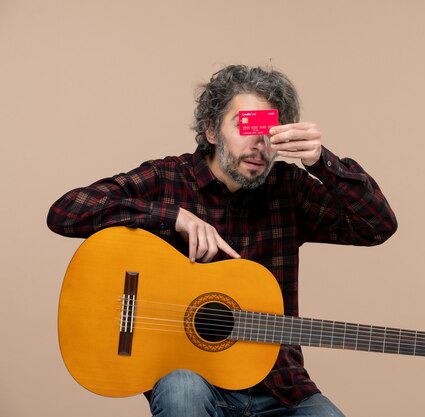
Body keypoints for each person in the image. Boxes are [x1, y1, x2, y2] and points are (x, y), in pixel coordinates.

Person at [47, 64, 397, 417]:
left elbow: (376, 226)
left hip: (279, 386)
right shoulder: (169, 178)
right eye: (246, 127)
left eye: (269, 132)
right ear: (212, 130)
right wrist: (171, 216)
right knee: (183, 390)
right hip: (191, 378)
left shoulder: (289, 187)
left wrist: (322, 162)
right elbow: (65, 211)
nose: (259, 145)